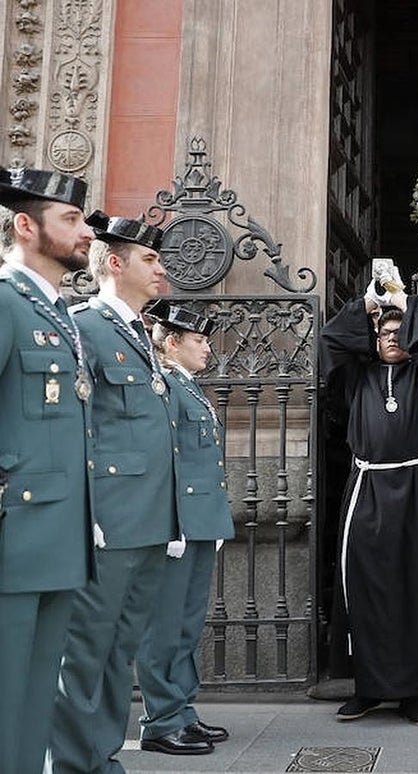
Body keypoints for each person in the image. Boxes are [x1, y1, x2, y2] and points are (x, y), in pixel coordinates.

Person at [51, 212, 183, 771]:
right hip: (110, 519)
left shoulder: (137, 334)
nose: (160, 268)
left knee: (116, 653)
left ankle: (98, 756)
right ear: (114, 263)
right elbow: (70, 423)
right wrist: (86, 509)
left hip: (147, 522)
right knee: (85, 652)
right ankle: (74, 762)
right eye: (149, 259)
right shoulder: (85, 325)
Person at [318, 268, 418, 726]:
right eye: (385, 333)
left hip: (417, 492)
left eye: (400, 332)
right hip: (369, 488)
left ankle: (414, 692)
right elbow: (332, 341)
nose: (393, 338)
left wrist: (404, 301)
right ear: (372, 339)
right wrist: (371, 304)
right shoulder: (357, 377)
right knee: (367, 587)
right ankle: (369, 687)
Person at [0, 167, 95, 774]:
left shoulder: (57, 310)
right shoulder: (6, 301)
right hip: (15, 534)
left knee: (34, 699)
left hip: (57, 538)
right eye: (71, 219)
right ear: (25, 226)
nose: (86, 231)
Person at [134, 300, 234, 754]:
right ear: (171, 343)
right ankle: (160, 720)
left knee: (188, 625)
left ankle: (181, 711)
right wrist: (169, 523)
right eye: (199, 341)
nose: (207, 349)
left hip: (199, 523)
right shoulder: (164, 387)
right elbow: (164, 460)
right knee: (164, 626)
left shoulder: (189, 387)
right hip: (179, 524)